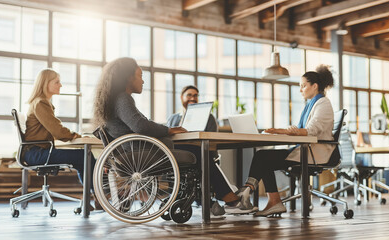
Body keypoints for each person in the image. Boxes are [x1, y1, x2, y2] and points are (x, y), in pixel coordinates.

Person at [93, 58, 245, 215]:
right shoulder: (123, 99)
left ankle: (221, 197)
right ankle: (229, 198)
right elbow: (141, 126)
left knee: (196, 152)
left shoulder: (114, 101)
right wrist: (169, 130)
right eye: (140, 75)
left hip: (135, 152)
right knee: (199, 153)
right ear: (128, 77)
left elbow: (140, 124)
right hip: (143, 154)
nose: (143, 80)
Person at [231, 65, 335, 216]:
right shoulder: (311, 105)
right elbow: (301, 131)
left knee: (263, 157)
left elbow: (309, 131)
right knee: (263, 157)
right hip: (306, 150)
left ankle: (248, 193)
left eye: (303, 86)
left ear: (315, 86)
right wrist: (279, 131)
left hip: (315, 153)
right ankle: (263, 197)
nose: (300, 90)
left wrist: (279, 131)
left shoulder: (323, 103)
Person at [23, 69, 100, 210]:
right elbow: (57, 130)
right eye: (57, 82)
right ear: (46, 84)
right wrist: (76, 136)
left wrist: (72, 135)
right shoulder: (41, 103)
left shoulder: (39, 102)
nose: (61, 85)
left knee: (83, 157)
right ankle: (100, 197)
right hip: (36, 153)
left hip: (33, 151)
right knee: (84, 156)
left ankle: (96, 196)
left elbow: (53, 130)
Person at [167, 85, 239, 215]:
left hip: (202, 152)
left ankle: (221, 196)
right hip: (178, 154)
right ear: (181, 97)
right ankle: (228, 196)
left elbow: (211, 140)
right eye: (189, 95)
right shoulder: (173, 118)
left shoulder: (208, 117)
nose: (192, 98)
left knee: (200, 155)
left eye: (195, 95)